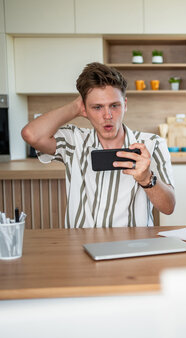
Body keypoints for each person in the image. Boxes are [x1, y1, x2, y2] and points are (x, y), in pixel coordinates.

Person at [21, 62, 175, 228]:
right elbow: (31, 134)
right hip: (80, 246)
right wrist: (75, 106)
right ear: (84, 110)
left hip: (133, 246)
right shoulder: (74, 141)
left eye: (114, 106)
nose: (107, 115)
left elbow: (168, 207)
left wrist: (146, 178)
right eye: (97, 107)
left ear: (125, 105)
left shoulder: (152, 144)